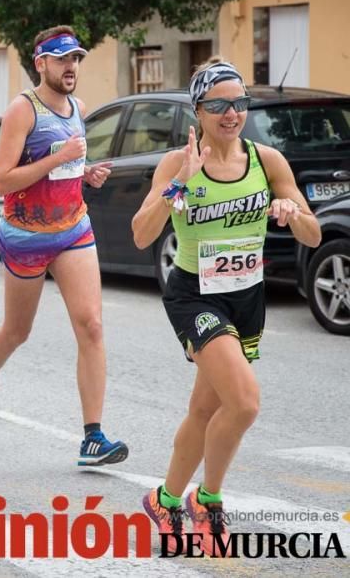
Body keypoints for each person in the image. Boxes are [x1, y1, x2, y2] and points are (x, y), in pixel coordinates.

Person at [132, 58, 320, 553]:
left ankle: (166, 498)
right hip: (194, 293)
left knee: (204, 408)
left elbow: (314, 232)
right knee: (244, 402)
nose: (231, 112)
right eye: (218, 104)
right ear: (198, 110)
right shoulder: (177, 163)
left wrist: (291, 212)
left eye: (239, 102)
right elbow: (140, 235)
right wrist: (179, 186)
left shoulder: (268, 161)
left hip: (247, 296)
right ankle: (208, 498)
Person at [0, 25, 128, 467]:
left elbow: (67, 161)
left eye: (75, 58)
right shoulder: (23, 110)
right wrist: (60, 158)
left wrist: (84, 172)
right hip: (26, 237)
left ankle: (93, 437)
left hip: (74, 228)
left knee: (91, 325)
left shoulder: (79, 107)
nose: (71, 67)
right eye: (62, 59)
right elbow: (2, 180)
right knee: (18, 332)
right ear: (41, 64)